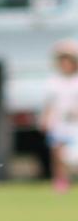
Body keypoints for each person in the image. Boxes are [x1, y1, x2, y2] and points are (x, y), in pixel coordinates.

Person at [45, 40, 78, 192]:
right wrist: (46, 118)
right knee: (57, 153)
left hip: (74, 124)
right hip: (59, 122)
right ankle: (60, 181)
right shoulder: (54, 81)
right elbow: (50, 102)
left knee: (71, 156)